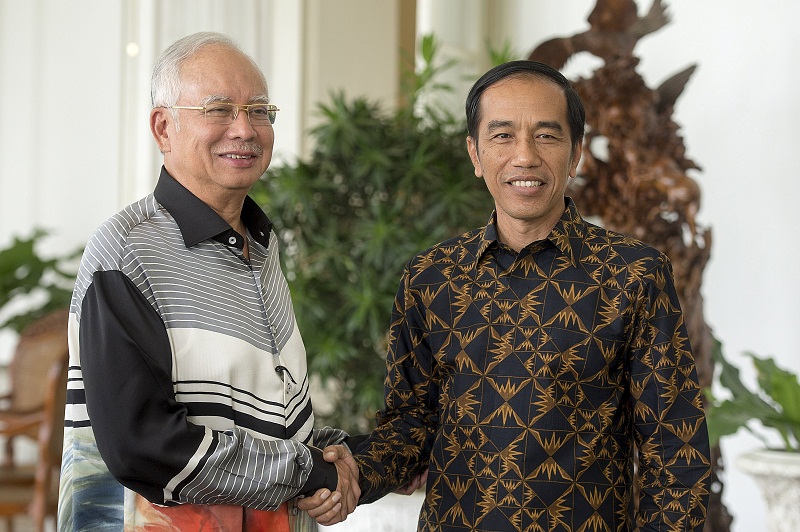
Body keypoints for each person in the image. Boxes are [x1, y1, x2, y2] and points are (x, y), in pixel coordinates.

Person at [303, 60, 712, 530]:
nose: (525, 156)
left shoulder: (634, 274)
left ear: (576, 154)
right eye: (502, 136)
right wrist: (355, 470)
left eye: (546, 135)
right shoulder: (431, 278)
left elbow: (676, 454)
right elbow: (411, 427)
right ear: (475, 154)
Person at [57, 32, 358, 531]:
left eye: (259, 110)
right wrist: (306, 474)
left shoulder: (260, 244)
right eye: (219, 109)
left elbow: (262, 411)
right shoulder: (127, 251)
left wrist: (338, 455)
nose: (244, 128)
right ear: (163, 127)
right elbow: (143, 443)